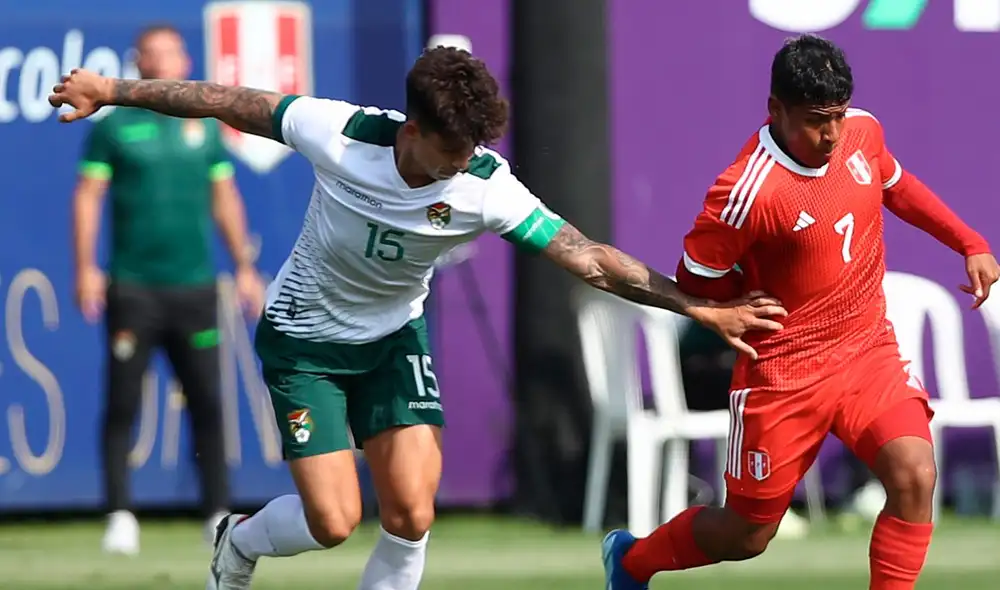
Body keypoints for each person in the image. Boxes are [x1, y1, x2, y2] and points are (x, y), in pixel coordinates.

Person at [50, 47, 787, 590]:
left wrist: (696, 305)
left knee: (410, 514)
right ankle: (237, 545)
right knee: (333, 523)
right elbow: (220, 99)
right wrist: (111, 89)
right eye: (451, 149)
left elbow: (589, 257)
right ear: (412, 128)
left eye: (473, 151)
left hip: (394, 338)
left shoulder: (483, 185)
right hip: (305, 341)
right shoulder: (334, 133)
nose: (463, 163)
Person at [601, 34, 1000, 590]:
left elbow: (897, 185)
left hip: (868, 353)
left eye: (836, 115)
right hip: (784, 373)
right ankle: (632, 559)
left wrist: (969, 241)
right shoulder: (745, 191)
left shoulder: (862, 133)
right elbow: (697, 278)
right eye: (816, 120)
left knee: (915, 474)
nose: (832, 134)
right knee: (747, 534)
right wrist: (737, 303)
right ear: (776, 110)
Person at [70, 24, 265, 555]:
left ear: (184, 60)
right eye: (152, 54)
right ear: (138, 62)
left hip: (195, 288)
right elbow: (88, 196)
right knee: (123, 402)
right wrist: (86, 267)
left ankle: (218, 513)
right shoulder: (113, 127)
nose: (163, 62)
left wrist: (244, 267)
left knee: (207, 401)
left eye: (171, 53)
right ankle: (119, 515)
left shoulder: (205, 126)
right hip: (133, 287)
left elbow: (225, 199)